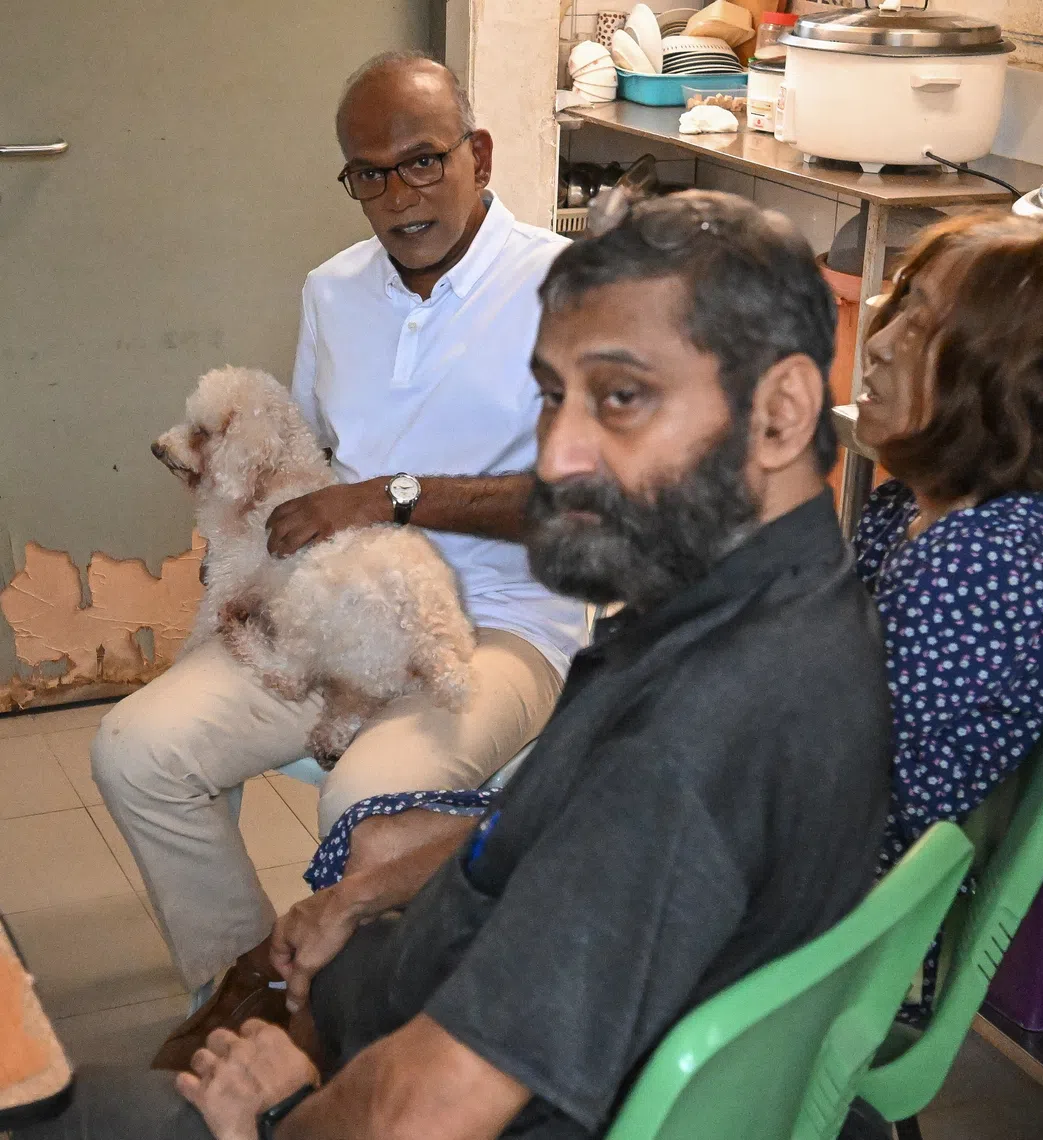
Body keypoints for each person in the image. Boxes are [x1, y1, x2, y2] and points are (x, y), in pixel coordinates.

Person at [17, 190, 892, 1140]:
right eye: (553, 398)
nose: (559, 454)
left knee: (56, 1111)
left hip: (408, 1098)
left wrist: (279, 1111)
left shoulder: (691, 742)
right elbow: (579, 841)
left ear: (781, 413)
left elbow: (424, 1112)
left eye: (622, 397)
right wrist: (370, 889)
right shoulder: (783, 609)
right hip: (409, 1006)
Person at [89, 50, 588, 1067]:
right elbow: (307, 465)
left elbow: (585, 507)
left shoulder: (566, 290)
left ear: (480, 155)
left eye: (423, 161)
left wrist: (394, 495)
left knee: (368, 800)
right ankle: (253, 997)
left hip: (502, 626)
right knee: (138, 750)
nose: (398, 196)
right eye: (369, 174)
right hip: (337, 614)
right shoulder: (334, 291)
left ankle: (373, 1031)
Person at [853, 213, 1043, 1012]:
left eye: (921, 325)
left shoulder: (985, 564)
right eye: (900, 303)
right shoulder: (920, 508)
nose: (879, 341)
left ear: (1001, 384)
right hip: (803, 875)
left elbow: (847, 786)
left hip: (839, 944)